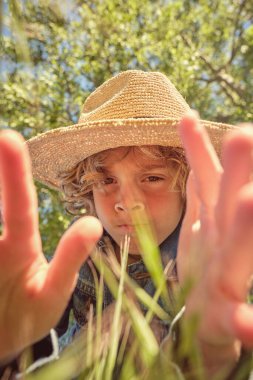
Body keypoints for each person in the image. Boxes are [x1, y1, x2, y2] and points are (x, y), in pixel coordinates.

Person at [0, 70, 253, 378]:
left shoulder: (212, 270)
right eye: (106, 180)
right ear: (86, 190)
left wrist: (209, 354)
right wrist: (10, 352)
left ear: (189, 186)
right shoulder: (62, 274)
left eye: (153, 178)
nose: (127, 200)